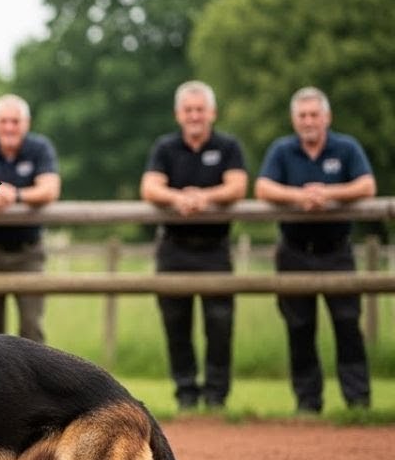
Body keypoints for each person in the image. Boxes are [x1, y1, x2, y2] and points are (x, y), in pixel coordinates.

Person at [255, 86, 376, 413]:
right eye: (303, 116)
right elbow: (263, 186)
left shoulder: (346, 148)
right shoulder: (282, 150)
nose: (308, 121)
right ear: (294, 119)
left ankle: (358, 402)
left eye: (314, 115)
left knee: (347, 325)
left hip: (336, 251)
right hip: (294, 251)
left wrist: (328, 193)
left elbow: (367, 185)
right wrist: (300, 197)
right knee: (299, 328)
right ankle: (308, 404)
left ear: (327, 117)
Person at [140, 81, 247, 411]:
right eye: (188, 110)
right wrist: (178, 199)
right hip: (174, 248)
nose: (194, 116)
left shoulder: (228, 146)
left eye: (200, 109)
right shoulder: (165, 147)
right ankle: (186, 394)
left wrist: (204, 198)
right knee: (176, 325)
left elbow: (238, 186)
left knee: (220, 324)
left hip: (214, 248)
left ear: (212, 113)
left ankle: (216, 398)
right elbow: (150, 187)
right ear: (178, 114)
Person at [0, 94, 61, 343]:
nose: (9, 127)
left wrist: (14, 195)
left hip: (28, 252)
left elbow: (50, 189)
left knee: (32, 328)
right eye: (3, 121)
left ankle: (33, 372)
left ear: (26, 123)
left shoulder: (39, 147)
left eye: (15, 121)